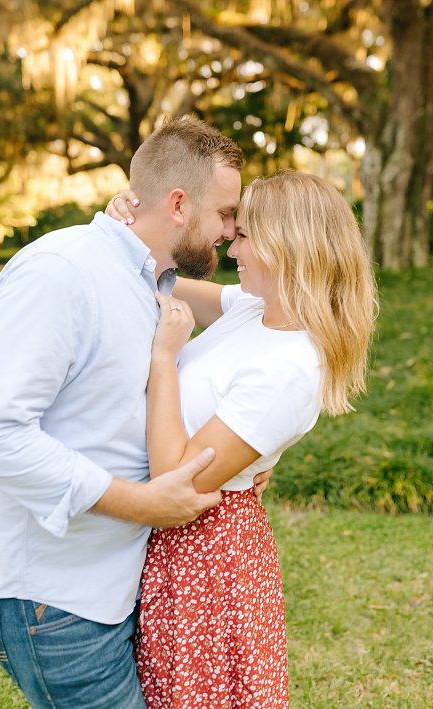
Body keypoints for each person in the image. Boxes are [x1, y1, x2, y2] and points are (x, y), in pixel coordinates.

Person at [0, 117, 280, 707]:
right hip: (55, 601)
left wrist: (255, 447)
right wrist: (144, 503)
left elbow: (271, 318)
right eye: (226, 213)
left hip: (110, 588)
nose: (231, 231)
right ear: (179, 204)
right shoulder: (62, 271)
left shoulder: (154, 281)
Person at [106, 171, 376, 707]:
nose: (231, 244)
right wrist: (130, 233)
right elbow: (156, 278)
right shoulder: (255, 310)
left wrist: (164, 359)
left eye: (245, 235)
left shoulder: (290, 368)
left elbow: (173, 476)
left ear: (286, 247)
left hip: (208, 556)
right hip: (184, 547)